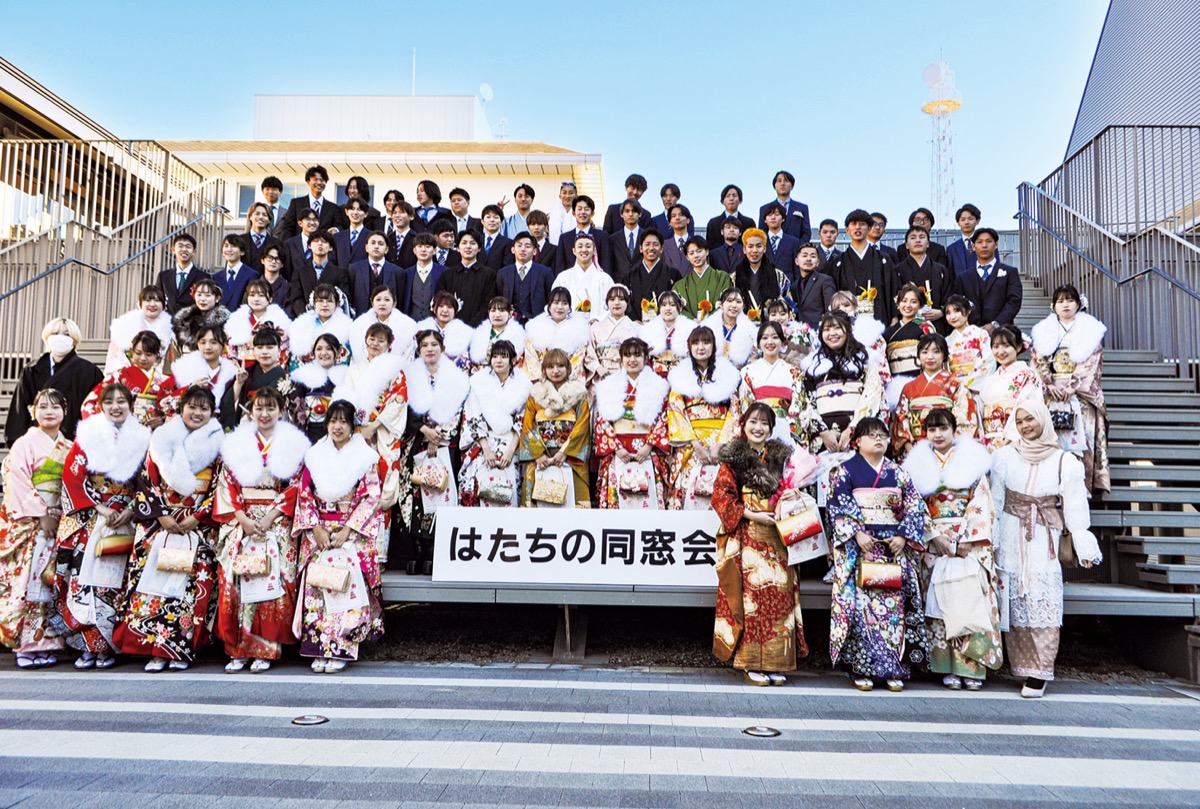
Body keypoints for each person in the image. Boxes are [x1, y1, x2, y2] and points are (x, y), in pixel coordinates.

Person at [992, 399, 1102, 698]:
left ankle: (1039, 671)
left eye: (1030, 419)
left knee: (1042, 597)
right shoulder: (1004, 457)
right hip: (1010, 530)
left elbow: (1075, 504)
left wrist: (1082, 544)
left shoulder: (1064, 461)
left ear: (1043, 419)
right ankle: (1020, 666)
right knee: (1014, 596)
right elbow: (996, 500)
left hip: (1044, 534)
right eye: (1020, 421)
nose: (1025, 426)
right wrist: (992, 540)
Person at [113, 385, 223, 671]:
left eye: (204, 408)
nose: (197, 413)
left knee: (187, 588)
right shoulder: (161, 440)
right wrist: (161, 515)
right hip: (161, 523)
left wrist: (197, 516)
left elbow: (220, 487)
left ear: (212, 413)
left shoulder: (219, 445)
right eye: (192, 407)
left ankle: (178, 649)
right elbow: (147, 482)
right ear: (180, 408)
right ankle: (154, 648)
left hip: (195, 525)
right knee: (155, 585)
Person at [711, 402, 818, 685]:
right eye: (753, 422)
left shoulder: (783, 458)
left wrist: (792, 495)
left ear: (771, 428)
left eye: (764, 423)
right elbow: (721, 497)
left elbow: (795, 488)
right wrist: (752, 514)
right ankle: (751, 663)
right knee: (751, 602)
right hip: (747, 536)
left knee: (780, 598)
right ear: (744, 425)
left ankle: (777, 661)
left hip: (778, 536)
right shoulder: (733, 459)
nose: (758, 428)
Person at [827, 417, 930, 691]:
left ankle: (894, 668)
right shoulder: (845, 471)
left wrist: (903, 535)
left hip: (893, 550)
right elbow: (837, 505)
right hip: (863, 550)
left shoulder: (898, 473)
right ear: (857, 441)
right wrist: (856, 533)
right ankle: (863, 668)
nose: (878, 440)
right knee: (862, 611)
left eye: (882, 435)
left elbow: (915, 506)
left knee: (894, 611)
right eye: (871, 435)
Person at [902, 408, 1000, 690]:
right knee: (939, 603)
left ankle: (972, 665)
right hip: (935, 541)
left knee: (970, 597)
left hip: (967, 537)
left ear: (954, 430)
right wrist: (933, 535)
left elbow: (982, 502)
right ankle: (945, 665)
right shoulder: (916, 465)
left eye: (943, 428)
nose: (937, 434)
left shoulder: (971, 460)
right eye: (932, 429)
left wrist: (969, 538)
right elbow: (913, 505)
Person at [56, 383, 152, 669]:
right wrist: (99, 507)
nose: (115, 407)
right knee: (86, 579)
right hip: (94, 515)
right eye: (109, 402)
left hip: (128, 516)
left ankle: (113, 645)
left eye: (121, 401)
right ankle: (89, 644)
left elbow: (150, 480)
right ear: (100, 406)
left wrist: (132, 509)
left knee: (118, 581)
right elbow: (72, 476)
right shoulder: (87, 436)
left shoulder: (143, 438)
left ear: (131, 405)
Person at [213, 387, 309, 672]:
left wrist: (270, 518)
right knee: (238, 579)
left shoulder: (294, 445)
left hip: (275, 520)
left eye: (271, 408)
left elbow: (296, 488)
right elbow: (226, 485)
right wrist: (242, 519)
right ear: (251, 411)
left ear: (281, 411)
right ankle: (238, 649)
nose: (264, 414)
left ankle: (266, 649)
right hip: (242, 519)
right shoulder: (237, 444)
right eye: (259, 408)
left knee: (272, 579)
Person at [294, 400, 386, 672]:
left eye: (344, 421)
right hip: (320, 533)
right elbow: (304, 495)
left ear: (352, 425)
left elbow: (372, 498)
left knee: (345, 587)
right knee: (318, 588)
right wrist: (315, 528)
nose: (337, 426)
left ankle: (341, 647)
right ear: (326, 424)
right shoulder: (314, 456)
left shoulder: (365, 458)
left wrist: (348, 530)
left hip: (350, 532)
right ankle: (318, 647)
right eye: (333, 421)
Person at [0, 389, 73, 667]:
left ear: (65, 411)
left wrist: (61, 514)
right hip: (32, 522)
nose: (49, 411)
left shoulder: (69, 447)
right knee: (29, 581)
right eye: (43, 407)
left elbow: (74, 483)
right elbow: (16, 480)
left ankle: (48, 642)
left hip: (59, 519)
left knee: (51, 581)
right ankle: (26, 645)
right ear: (33, 412)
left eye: (55, 407)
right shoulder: (24, 444)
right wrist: (41, 514)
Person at [396, 331, 470, 574]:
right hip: (416, 440)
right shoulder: (409, 376)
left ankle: (434, 549)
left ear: (442, 348)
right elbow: (402, 408)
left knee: (440, 492)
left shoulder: (456, 378)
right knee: (415, 494)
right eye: (425, 345)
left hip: (444, 444)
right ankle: (416, 547)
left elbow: (458, 411)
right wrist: (424, 430)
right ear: (419, 350)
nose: (429, 349)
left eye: (434, 344)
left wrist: (438, 436)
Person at [1030, 284, 1110, 493]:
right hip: (1052, 393)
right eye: (1060, 301)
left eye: (1070, 300)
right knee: (1052, 440)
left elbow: (1092, 364)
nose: (1065, 305)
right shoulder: (1044, 330)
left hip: (1080, 394)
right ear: (1053, 306)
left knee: (1082, 439)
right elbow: (1037, 361)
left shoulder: (1090, 330)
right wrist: (1048, 383)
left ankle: (1081, 488)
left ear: (1078, 304)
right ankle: (1052, 489)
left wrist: (1073, 386)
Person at [666, 326, 741, 510]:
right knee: (687, 491)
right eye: (696, 343)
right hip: (691, 447)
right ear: (689, 347)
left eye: (706, 342)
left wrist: (720, 444)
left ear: (714, 346)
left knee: (721, 492)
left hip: (720, 446)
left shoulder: (726, 375)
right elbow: (675, 410)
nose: (701, 347)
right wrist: (695, 444)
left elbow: (734, 412)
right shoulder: (680, 377)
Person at [593, 338, 671, 509]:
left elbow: (664, 418)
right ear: (621, 359)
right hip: (619, 450)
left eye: (637, 355)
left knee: (649, 497)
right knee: (618, 497)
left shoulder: (658, 386)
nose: (632, 360)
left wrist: (649, 446)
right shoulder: (608, 386)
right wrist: (616, 448)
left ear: (646, 358)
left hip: (647, 450)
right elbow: (602, 421)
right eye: (627, 355)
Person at [6, 318, 103, 446]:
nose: (60, 337)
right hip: (36, 445)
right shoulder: (31, 370)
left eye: (66, 334)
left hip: (74, 444)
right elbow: (20, 411)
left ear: (74, 340)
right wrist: (18, 444)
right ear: (47, 337)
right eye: (55, 333)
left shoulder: (89, 372)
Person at [458, 340, 532, 508]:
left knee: (510, 489)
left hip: (512, 444)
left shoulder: (523, 384)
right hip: (483, 443)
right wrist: (486, 449)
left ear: (513, 360)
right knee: (479, 488)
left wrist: (511, 451)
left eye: (504, 357)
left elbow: (524, 419)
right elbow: (472, 415)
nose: (498, 360)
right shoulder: (478, 382)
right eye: (495, 356)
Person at [518, 348, 591, 508]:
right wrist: (538, 454)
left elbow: (582, 427)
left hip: (568, 458)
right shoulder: (535, 395)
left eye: (560, 366)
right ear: (544, 370)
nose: (555, 371)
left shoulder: (579, 395)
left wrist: (564, 452)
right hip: (541, 459)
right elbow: (528, 426)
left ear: (568, 368)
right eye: (550, 367)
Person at [892, 333, 978, 461]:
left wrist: (947, 448)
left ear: (944, 355)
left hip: (948, 449)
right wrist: (912, 450)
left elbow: (965, 418)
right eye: (924, 352)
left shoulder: (955, 384)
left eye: (936, 352)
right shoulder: (909, 387)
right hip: (916, 450)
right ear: (919, 356)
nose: (930, 357)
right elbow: (900, 420)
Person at [81, 331, 170, 429]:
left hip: (155, 431)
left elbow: (174, 409)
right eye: (138, 353)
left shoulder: (164, 380)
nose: (143, 358)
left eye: (148, 354)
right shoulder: (119, 376)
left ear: (157, 354)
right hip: (123, 430)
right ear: (132, 352)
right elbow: (90, 402)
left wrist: (163, 418)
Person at [978, 325, 1044, 452]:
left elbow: (1029, 408)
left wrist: (1009, 438)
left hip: (1017, 439)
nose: (1000, 351)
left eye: (1006, 346)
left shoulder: (1028, 375)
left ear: (1018, 347)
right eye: (996, 347)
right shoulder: (989, 380)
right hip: (989, 442)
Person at [828, 209, 897, 325]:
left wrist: (894, 318)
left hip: (879, 320)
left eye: (862, 224)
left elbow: (893, 289)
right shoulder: (838, 263)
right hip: (847, 323)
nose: (857, 227)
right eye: (853, 224)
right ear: (847, 230)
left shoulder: (884, 259)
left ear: (869, 228)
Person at [739, 322, 805, 444]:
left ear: (783, 342)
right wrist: (759, 425)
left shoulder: (794, 371)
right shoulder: (748, 371)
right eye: (765, 338)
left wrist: (784, 428)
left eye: (775, 337)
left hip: (786, 430)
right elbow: (745, 404)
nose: (770, 342)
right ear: (758, 343)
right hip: (758, 429)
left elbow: (799, 403)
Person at [221, 329, 291, 430]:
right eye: (259, 347)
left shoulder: (283, 375)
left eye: (270, 347)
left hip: (274, 425)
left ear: (279, 350)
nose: (265, 352)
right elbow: (229, 403)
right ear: (253, 350)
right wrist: (239, 383)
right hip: (246, 423)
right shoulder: (247, 372)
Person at [958, 227, 1022, 334]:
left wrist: (995, 324)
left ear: (996, 244)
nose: (984, 245)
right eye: (979, 242)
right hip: (972, 333)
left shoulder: (1010, 272)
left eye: (988, 241)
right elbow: (959, 304)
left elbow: (1014, 302)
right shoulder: (963, 277)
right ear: (973, 246)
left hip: (1003, 333)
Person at [163, 326, 238, 417]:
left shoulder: (231, 373)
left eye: (214, 342)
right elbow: (162, 397)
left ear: (223, 345)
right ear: (197, 344)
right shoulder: (184, 368)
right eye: (203, 342)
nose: (208, 347)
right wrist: (190, 388)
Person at [288, 334, 348, 443]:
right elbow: (295, 409)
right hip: (311, 434)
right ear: (313, 352)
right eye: (319, 349)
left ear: (339, 352)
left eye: (329, 349)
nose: (323, 353)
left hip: (338, 434)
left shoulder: (346, 377)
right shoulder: (304, 377)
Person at [882, 283, 934, 407]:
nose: (908, 305)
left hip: (919, 376)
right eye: (904, 301)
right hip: (895, 380)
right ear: (898, 304)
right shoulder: (889, 332)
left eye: (913, 302)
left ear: (920, 305)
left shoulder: (925, 327)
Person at [895, 225, 954, 334]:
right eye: (913, 237)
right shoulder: (898, 271)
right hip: (907, 324)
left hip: (935, 323)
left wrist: (941, 312)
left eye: (922, 237)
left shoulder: (941, 270)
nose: (918, 240)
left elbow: (949, 296)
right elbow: (895, 299)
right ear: (906, 245)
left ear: (928, 244)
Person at [523, 287, 590, 382]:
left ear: (569, 307)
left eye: (565, 303)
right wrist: (545, 377)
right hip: (542, 381)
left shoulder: (579, 331)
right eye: (556, 303)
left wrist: (563, 376)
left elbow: (578, 360)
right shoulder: (535, 328)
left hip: (568, 381)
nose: (560, 307)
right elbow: (531, 359)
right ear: (549, 306)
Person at [104, 286, 174, 375]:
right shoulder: (123, 327)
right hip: (130, 377)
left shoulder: (171, 331)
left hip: (159, 377)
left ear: (164, 305)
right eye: (148, 300)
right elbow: (115, 359)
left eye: (157, 301)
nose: (152, 304)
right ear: (140, 304)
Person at [436, 230, 499, 327]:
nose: (468, 246)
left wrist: (473, 325)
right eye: (464, 243)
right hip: (451, 328)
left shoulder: (489, 275)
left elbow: (488, 304)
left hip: (479, 329)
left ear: (479, 248)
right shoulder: (447, 275)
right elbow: (440, 302)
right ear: (457, 248)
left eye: (473, 243)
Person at [225, 279, 292, 366]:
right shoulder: (236, 320)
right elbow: (229, 350)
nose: (256, 299)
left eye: (261, 295)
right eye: (252, 295)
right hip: (244, 366)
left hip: (272, 366)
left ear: (270, 299)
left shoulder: (279, 320)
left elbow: (285, 348)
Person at [288, 283, 354, 369]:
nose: (325, 304)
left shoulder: (346, 327)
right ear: (314, 304)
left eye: (329, 301)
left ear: (337, 304)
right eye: (320, 301)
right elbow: (297, 357)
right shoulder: (302, 326)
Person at [287, 231, 351, 319]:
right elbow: (296, 298)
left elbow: (342, 298)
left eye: (324, 242)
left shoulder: (340, 272)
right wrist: (308, 316)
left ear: (331, 248)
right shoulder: (300, 272)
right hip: (306, 319)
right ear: (309, 246)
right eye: (316, 241)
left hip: (332, 320)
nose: (320, 244)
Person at [349, 285, 416, 366]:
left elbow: (407, 359)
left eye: (387, 300)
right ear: (372, 303)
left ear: (394, 303)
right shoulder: (358, 325)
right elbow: (356, 358)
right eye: (378, 299)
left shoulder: (406, 326)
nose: (382, 303)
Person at [585, 285, 641, 384]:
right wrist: (598, 367)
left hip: (628, 376)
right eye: (612, 299)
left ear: (627, 303)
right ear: (607, 302)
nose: (617, 303)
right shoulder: (596, 327)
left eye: (621, 299)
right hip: (602, 376)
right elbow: (589, 353)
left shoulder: (636, 328)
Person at [618, 230, 677, 322]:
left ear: (661, 249)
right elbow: (624, 302)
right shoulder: (630, 276)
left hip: (665, 324)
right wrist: (634, 320)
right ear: (641, 248)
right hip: (636, 325)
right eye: (647, 244)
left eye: (655, 244)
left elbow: (677, 303)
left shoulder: (673, 274)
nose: (651, 248)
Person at [497, 232, 555, 324]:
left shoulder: (545, 272)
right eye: (519, 246)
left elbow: (551, 299)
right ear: (513, 249)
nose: (523, 249)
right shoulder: (503, 273)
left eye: (527, 246)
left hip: (538, 323)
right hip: (511, 323)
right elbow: (499, 298)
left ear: (535, 251)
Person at [553, 233, 613, 319]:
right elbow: (553, 304)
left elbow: (612, 307)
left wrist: (598, 320)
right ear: (574, 251)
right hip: (568, 325)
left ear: (594, 250)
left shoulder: (605, 279)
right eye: (580, 246)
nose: (584, 250)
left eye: (588, 246)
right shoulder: (563, 277)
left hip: (598, 325)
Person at [944, 294, 996, 394]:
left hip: (977, 389)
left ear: (968, 311)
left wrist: (967, 384)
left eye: (957, 311)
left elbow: (988, 361)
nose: (952, 316)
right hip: (956, 389)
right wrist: (957, 384)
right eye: (948, 313)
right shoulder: (947, 340)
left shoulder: (981, 334)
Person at [672, 237, 733, 320]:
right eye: (691, 253)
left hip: (717, 324)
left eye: (699, 251)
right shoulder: (680, 285)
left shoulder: (722, 277)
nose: (696, 256)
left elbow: (728, 302)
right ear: (687, 257)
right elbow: (676, 308)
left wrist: (709, 321)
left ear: (707, 251)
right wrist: (692, 320)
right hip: (690, 325)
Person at [278, 165, 347, 238]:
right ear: (308, 182)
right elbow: (288, 228)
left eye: (322, 180)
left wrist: (335, 229)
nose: (319, 182)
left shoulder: (333, 208)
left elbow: (340, 227)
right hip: (300, 244)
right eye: (315, 179)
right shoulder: (296, 203)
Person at [639, 290, 695, 378]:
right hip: (655, 376)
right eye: (664, 305)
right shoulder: (649, 330)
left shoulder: (689, 329)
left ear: (680, 307)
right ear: (659, 308)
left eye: (672, 305)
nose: (668, 308)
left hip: (682, 375)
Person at [348, 232, 403, 316]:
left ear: (386, 249)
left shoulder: (397, 272)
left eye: (380, 244)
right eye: (373, 243)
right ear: (366, 247)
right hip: (361, 318)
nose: (376, 246)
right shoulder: (354, 269)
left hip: (388, 319)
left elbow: (400, 300)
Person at [414, 291, 473, 369]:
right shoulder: (422, 329)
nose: (445, 310)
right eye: (441, 306)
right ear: (434, 309)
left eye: (449, 307)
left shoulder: (464, 333)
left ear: (455, 311)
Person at [731, 228, 784, 315]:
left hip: (771, 320)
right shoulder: (734, 277)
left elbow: (785, 302)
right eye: (750, 246)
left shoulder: (778, 275)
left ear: (764, 248)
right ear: (744, 249)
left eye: (759, 246)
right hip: (743, 320)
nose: (755, 250)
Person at [467, 297, 526, 374]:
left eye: (502, 310)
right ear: (488, 313)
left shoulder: (518, 335)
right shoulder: (478, 334)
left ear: (510, 313)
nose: (497, 315)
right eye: (493, 311)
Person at [172, 278, 230, 356]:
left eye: (207, 295)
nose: (202, 299)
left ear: (217, 298)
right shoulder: (184, 321)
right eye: (199, 295)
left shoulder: (226, 322)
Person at [701, 287, 755, 369]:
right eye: (729, 301)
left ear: (743, 306)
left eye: (738, 302)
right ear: (721, 305)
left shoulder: (750, 330)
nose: (734, 305)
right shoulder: (708, 326)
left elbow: (754, 357)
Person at [400, 232, 448, 320]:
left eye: (428, 246)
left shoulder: (445, 272)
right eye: (420, 246)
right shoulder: (406, 273)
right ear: (414, 250)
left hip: (435, 321)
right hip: (411, 322)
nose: (423, 250)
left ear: (434, 251)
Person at [757, 170, 811, 243]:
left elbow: (806, 233)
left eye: (786, 181)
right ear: (775, 186)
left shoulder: (802, 208)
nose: (782, 184)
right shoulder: (764, 209)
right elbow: (762, 233)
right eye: (779, 181)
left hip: (796, 248)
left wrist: (797, 246)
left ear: (792, 186)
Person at [158, 233, 207, 314]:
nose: (184, 249)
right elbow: (158, 299)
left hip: (193, 320)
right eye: (180, 246)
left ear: (194, 251)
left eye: (188, 246)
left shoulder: (203, 276)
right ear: (173, 250)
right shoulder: (163, 276)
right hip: (168, 320)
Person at [791, 243, 835, 328]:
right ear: (796, 261)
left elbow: (830, 310)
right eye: (804, 256)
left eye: (813, 256)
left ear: (818, 262)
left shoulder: (825, 280)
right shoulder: (794, 286)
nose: (808, 259)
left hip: (819, 330)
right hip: (798, 330)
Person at [213, 235, 259, 315]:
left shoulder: (251, 275)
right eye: (226, 246)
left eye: (233, 246)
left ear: (242, 252)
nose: (229, 249)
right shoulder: (215, 277)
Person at [704, 184, 755, 249]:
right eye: (727, 196)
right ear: (723, 201)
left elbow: (752, 243)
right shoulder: (713, 223)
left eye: (734, 195)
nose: (731, 199)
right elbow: (710, 245)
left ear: (740, 200)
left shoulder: (749, 223)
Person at [609, 199, 650, 280]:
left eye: (634, 211)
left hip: (643, 282)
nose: (630, 214)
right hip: (619, 283)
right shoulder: (613, 239)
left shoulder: (648, 237)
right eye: (627, 211)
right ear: (621, 214)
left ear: (640, 214)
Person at [760, 203, 801, 281]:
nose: (773, 217)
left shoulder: (793, 242)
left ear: (783, 219)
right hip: (764, 283)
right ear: (765, 220)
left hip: (788, 285)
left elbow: (797, 269)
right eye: (770, 215)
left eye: (777, 214)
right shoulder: (760, 241)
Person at [243, 203, 283, 273]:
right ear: (250, 217)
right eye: (257, 214)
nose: (261, 217)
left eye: (265, 215)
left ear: (269, 220)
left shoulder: (277, 243)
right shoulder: (239, 241)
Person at [332, 198, 372, 268]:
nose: (355, 212)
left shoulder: (371, 236)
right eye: (352, 209)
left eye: (359, 209)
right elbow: (332, 262)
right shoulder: (337, 237)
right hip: (341, 275)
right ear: (346, 212)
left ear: (366, 214)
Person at [945, 203, 981, 277]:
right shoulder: (951, 249)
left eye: (970, 219)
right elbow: (950, 276)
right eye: (963, 220)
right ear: (958, 223)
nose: (966, 222)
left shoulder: (987, 245)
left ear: (977, 221)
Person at [661, 204, 696, 277]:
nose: (677, 218)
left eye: (681, 215)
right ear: (670, 222)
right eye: (673, 216)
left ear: (688, 220)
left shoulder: (697, 244)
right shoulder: (663, 246)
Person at [479, 204, 514, 271]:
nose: (492, 220)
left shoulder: (508, 243)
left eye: (495, 217)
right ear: (482, 221)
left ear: (502, 222)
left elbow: (507, 267)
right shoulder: (476, 241)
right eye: (488, 217)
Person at [258, 244, 292, 309]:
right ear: (262, 260)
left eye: (277, 259)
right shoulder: (253, 287)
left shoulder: (288, 288)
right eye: (270, 258)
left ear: (282, 264)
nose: (273, 261)